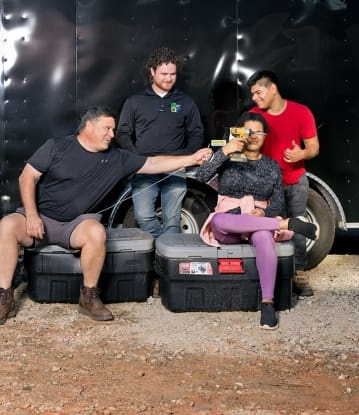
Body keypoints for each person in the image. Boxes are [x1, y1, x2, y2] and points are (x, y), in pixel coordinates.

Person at [0, 106, 211, 325]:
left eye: (113, 130)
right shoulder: (56, 146)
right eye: (107, 129)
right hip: (40, 220)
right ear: (89, 127)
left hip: (75, 226)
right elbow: (27, 177)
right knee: (7, 225)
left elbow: (153, 163)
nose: (112, 135)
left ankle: (88, 296)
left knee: (96, 232)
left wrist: (191, 159)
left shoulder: (118, 158)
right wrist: (32, 215)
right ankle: (4, 297)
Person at [194, 112, 318, 330]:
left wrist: (262, 213)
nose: (253, 136)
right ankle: (287, 224)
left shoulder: (271, 166)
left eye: (258, 132)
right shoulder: (228, 158)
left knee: (263, 236)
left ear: (265, 136)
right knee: (219, 220)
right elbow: (201, 176)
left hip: (259, 223)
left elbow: (278, 204)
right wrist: (225, 150)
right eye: (248, 131)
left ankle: (267, 303)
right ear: (239, 132)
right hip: (230, 224)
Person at [116, 47, 205, 237]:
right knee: (143, 216)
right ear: (152, 71)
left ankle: (167, 251)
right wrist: (137, 158)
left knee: (172, 220)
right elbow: (122, 133)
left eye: (173, 74)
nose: (169, 78)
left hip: (175, 166)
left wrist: (185, 156)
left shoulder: (185, 102)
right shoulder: (135, 101)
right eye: (164, 74)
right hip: (145, 166)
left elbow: (196, 132)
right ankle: (162, 244)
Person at [247, 70, 320, 297]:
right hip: (264, 184)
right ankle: (268, 274)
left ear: (273, 89)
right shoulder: (253, 115)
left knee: (297, 225)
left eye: (258, 93)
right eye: (252, 94)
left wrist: (302, 154)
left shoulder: (301, 112)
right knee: (264, 227)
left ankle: (299, 272)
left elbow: (314, 148)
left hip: (295, 181)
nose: (255, 98)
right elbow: (242, 145)